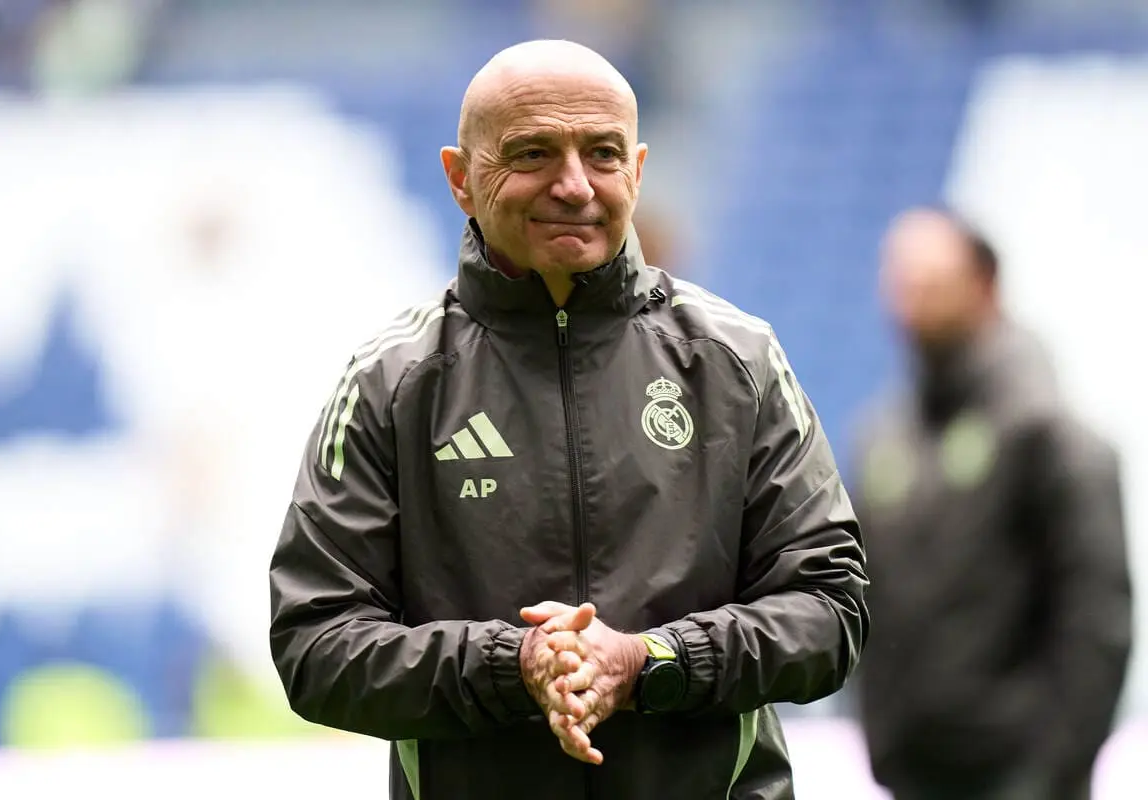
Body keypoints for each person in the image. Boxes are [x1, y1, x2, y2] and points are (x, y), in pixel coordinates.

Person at [269, 39, 867, 800]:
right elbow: (314, 645)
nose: (575, 185)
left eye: (603, 154)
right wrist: (511, 666)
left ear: (639, 171)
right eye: (533, 153)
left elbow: (831, 610)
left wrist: (651, 660)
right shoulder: (392, 382)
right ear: (460, 178)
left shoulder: (736, 360)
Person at [851, 207, 1133, 800]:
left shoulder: (1046, 430)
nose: (911, 294)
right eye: (901, 277)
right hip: (914, 772)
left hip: (1022, 776)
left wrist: (1050, 772)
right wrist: (884, 744)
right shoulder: (885, 437)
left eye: (932, 278)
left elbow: (1097, 616)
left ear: (983, 285)